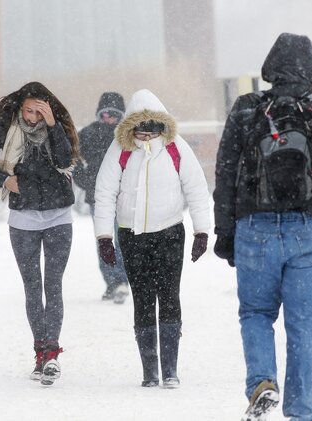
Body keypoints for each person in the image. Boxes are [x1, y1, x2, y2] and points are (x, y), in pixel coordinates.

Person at [213, 33, 312, 420]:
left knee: (256, 313)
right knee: (304, 328)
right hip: (310, 231)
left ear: (270, 68)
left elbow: (225, 174)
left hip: (255, 228)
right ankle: (302, 412)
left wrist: (225, 231)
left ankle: (262, 382)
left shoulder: (246, 110)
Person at [94, 89, 211, 389]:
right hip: (132, 236)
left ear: (162, 127)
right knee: (143, 300)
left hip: (170, 233)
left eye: (153, 130)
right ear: (130, 128)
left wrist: (201, 230)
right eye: (141, 130)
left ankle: (170, 369)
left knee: (169, 296)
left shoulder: (176, 148)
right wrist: (104, 237)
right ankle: (150, 370)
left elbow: (196, 188)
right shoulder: (119, 151)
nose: (146, 137)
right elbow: (105, 193)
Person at [0, 81, 79, 387]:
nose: (32, 117)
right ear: (20, 109)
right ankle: (40, 354)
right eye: (28, 110)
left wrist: (54, 125)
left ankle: (52, 354)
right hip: (23, 220)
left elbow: (65, 161)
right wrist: (4, 180)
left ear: (48, 110)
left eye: (38, 112)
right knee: (33, 287)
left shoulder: (57, 128)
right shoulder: (7, 130)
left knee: (53, 285)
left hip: (58, 217)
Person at [72, 92, 130, 304]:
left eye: (113, 115)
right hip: (98, 198)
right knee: (104, 241)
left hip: (124, 197)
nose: (108, 119)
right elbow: (74, 159)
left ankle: (121, 281)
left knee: (122, 240)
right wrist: (86, 181)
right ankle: (113, 283)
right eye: (104, 114)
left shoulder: (128, 135)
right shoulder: (87, 134)